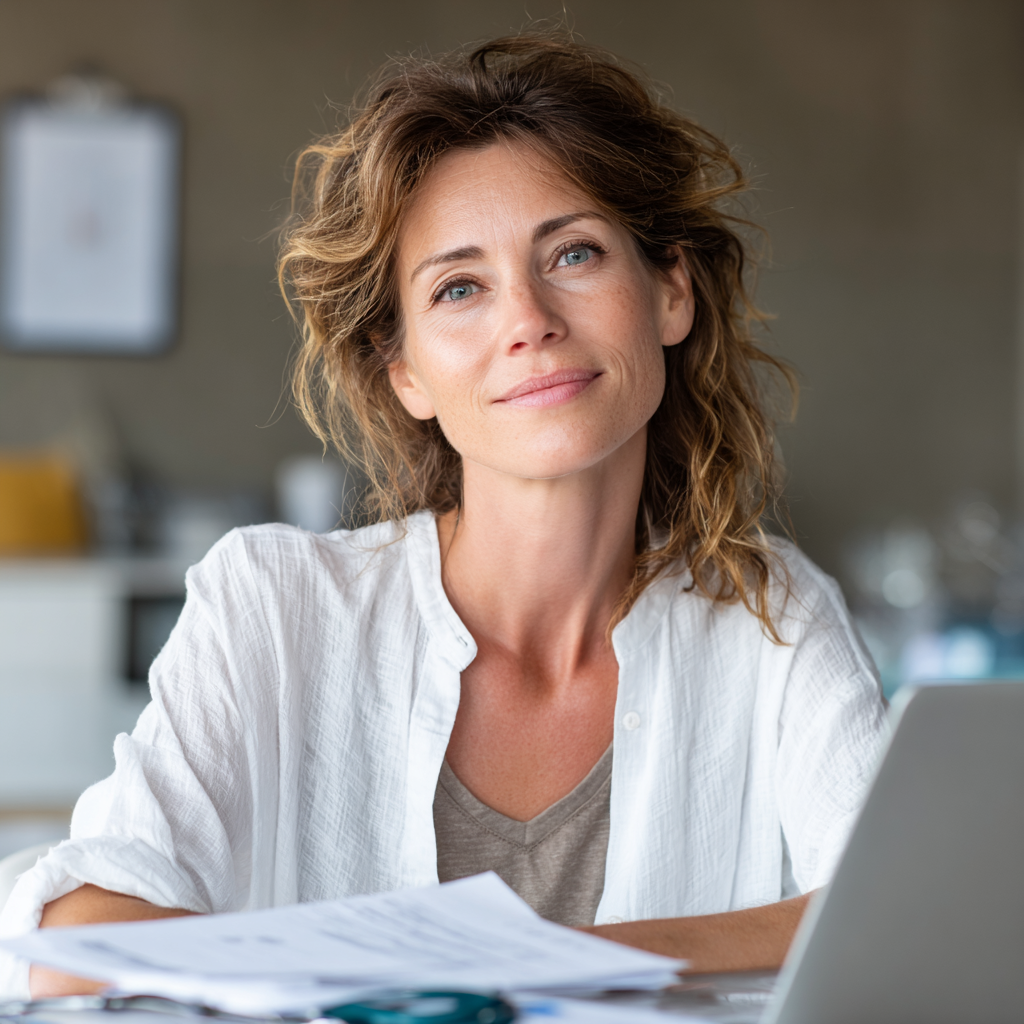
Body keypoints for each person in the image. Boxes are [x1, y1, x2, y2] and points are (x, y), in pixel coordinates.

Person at [0, 33, 885, 1000]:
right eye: (459, 287)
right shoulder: (275, 605)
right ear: (406, 370)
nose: (528, 319)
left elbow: (905, 913)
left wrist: (535, 964)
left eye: (575, 253)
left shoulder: (775, 619)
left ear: (669, 291)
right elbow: (77, 941)